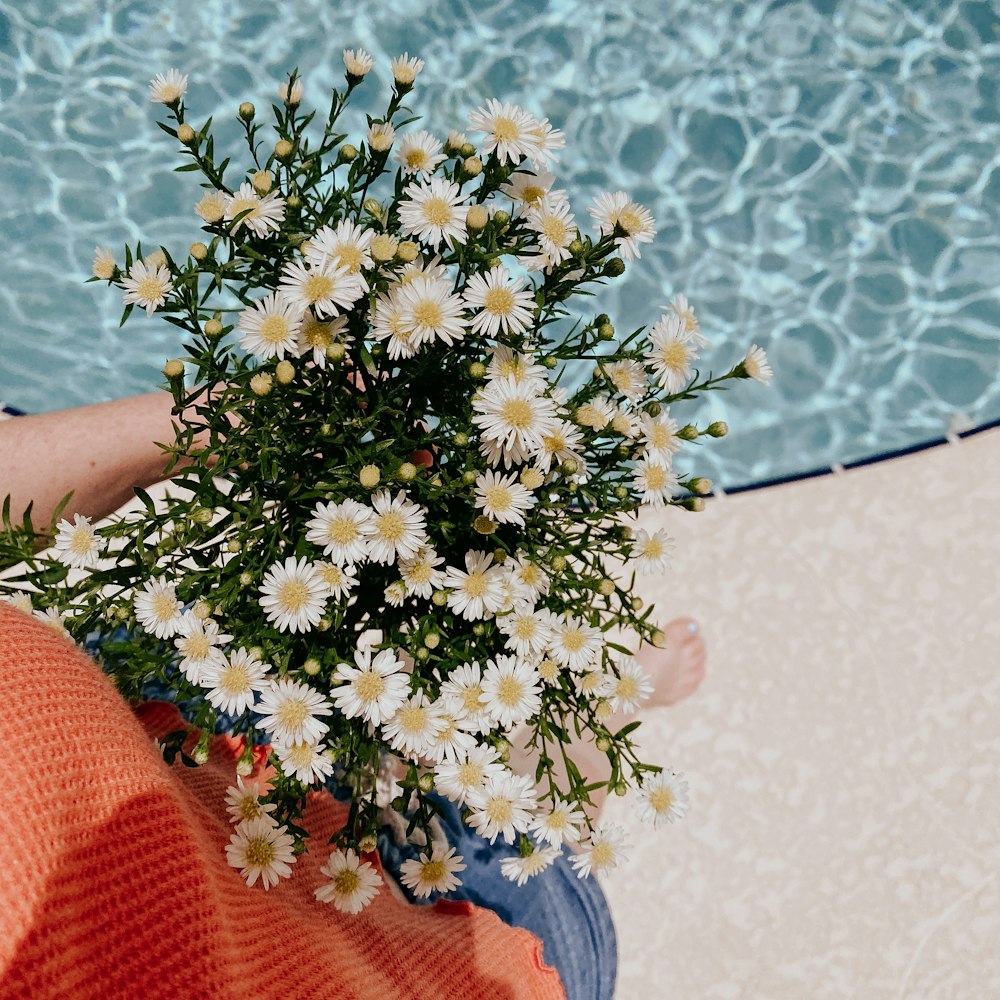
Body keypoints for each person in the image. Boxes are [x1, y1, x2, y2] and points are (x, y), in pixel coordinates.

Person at [0, 395, 705, 1000]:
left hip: (180, 753)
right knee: (530, 833)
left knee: (389, 672)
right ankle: (608, 706)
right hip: (417, 945)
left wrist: (230, 412)